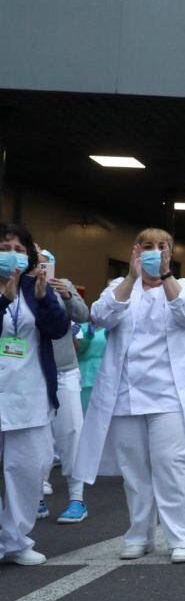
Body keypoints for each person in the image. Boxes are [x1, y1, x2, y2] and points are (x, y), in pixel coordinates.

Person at [73, 228, 185, 565]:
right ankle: (140, 534)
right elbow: (100, 316)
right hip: (127, 394)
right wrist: (130, 278)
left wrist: (165, 275)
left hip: (169, 396)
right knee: (133, 470)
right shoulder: (118, 289)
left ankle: (181, 536)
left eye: (161, 246)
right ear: (135, 251)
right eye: (146, 246)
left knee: (171, 466)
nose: (153, 251)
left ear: (170, 253)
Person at [0, 224, 69, 565]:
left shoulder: (33, 286)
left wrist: (43, 301)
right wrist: (3, 300)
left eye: (17, 247)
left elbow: (58, 329)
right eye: (4, 246)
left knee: (28, 469)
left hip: (29, 394)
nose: (11, 252)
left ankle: (14, 540)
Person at [37, 248, 93, 523]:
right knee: (36, 437)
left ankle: (77, 499)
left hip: (64, 370)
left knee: (71, 432)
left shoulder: (64, 286)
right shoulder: (20, 287)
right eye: (39, 263)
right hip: (33, 373)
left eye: (47, 263)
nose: (43, 267)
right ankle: (34, 496)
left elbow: (84, 315)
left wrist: (68, 295)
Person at [76, 319, 107, 413]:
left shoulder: (109, 328)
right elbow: (78, 349)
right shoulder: (80, 327)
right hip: (85, 377)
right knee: (85, 414)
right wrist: (87, 337)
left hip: (104, 375)